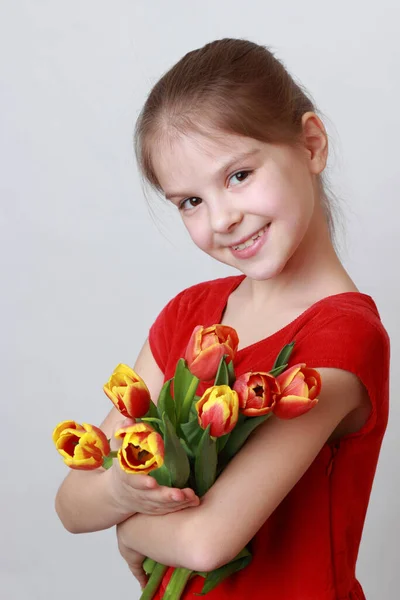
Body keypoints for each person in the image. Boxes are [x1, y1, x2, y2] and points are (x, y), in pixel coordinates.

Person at [54, 38, 390, 599]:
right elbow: (70, 502)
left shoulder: (342, 337)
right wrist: (120, 494)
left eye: (238, 175)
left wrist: (129, 524)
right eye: (190, 201)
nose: (224, 218)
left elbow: (209, 543)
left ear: (311, 144)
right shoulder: (191, 316)